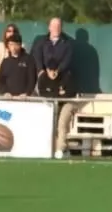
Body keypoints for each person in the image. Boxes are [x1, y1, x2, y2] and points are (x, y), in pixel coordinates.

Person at [32, 17, 78, 151]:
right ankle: (45, 148)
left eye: (59, 26)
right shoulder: (41, 42)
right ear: (49, 27)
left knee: (61, 124)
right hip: (47, 96)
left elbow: (67, 61)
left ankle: (59, 149)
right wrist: (42, 72)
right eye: (54, 25)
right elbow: (36, 57)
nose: (56, 28)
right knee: (46, 122)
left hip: (63, 98)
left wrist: (57, 71)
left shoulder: (67, 43)